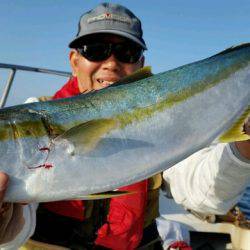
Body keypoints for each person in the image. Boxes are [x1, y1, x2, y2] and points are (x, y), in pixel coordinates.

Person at [0, 3, 249, 250]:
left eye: (126, 52)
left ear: (140, 64)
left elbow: (205, 196)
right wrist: (6, 228)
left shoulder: (165, 117)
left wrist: (245, 146)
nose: (110, 63)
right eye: (95, 50)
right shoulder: (33, 110)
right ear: (74, 61)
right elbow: (18, 229)